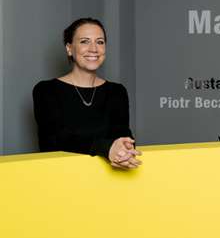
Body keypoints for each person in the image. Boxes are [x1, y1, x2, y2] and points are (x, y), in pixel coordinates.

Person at [33, 17, 141, 169]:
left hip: (110, 183)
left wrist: (126, 149)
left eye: (100, 42)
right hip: (61, 179)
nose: (94, 49)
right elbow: (54, 141)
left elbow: (122, 136)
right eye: (84, 41)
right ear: (69, 48)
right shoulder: (46, 90)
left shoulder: (117, 92)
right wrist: (106, 148)